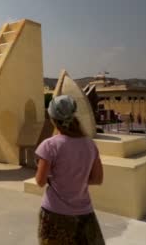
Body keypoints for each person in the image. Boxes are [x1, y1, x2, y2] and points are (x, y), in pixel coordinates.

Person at [35, 95, 105, 245]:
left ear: (53, 118)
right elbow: (98, 179)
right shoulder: (90, 144)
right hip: (84, 214)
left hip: (54, 214)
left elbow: (40, 181)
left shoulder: (49, 145)